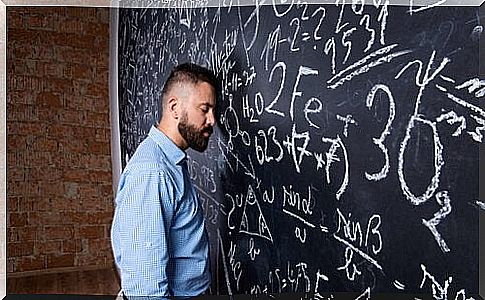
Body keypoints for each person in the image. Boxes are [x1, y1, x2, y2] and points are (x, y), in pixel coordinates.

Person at [111, 63, 218, 299]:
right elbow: (145, 288)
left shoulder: (169, 162)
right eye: (204, 109)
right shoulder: (152, 172)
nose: (212, 120)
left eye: (213, 110)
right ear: (174, 107)